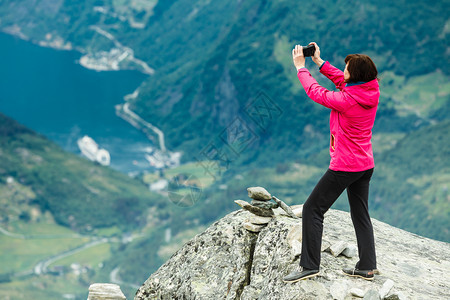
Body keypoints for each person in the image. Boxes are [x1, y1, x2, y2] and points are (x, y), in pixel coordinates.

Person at [283, 42, 379, 283]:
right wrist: (319, 62)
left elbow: (316, 92)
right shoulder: (370, 88)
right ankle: (367, 266)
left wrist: (301, 68)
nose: (343, 72)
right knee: (360, 214)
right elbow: (343, 80)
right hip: (365, 165)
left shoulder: (347, 101)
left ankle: (309, 265)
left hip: (345, 166)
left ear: (355, 75)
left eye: (347, 69)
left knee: (312, 209)